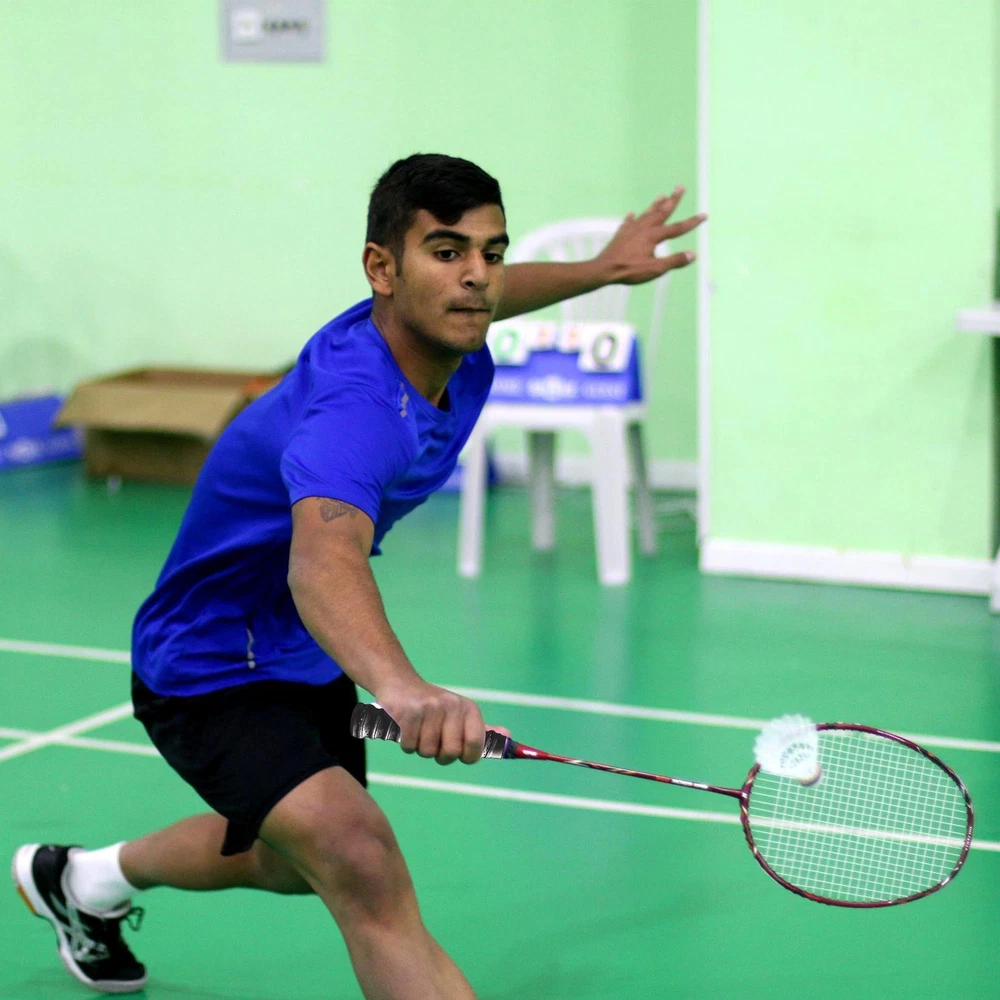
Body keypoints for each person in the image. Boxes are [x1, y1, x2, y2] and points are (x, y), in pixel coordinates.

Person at [12, 153, 706, 999]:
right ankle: (84, 881)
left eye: (490, 252)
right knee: (360, 858)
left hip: (303, 649)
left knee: (295, 864)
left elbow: (494, 291)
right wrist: (402, 687)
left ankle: (83, 880)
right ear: (382, 268)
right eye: (446, 252)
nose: (477, 277)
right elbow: (323, 560)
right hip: (210, 662)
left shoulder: (451, 340)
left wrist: (601, 269)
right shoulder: (357, 412)